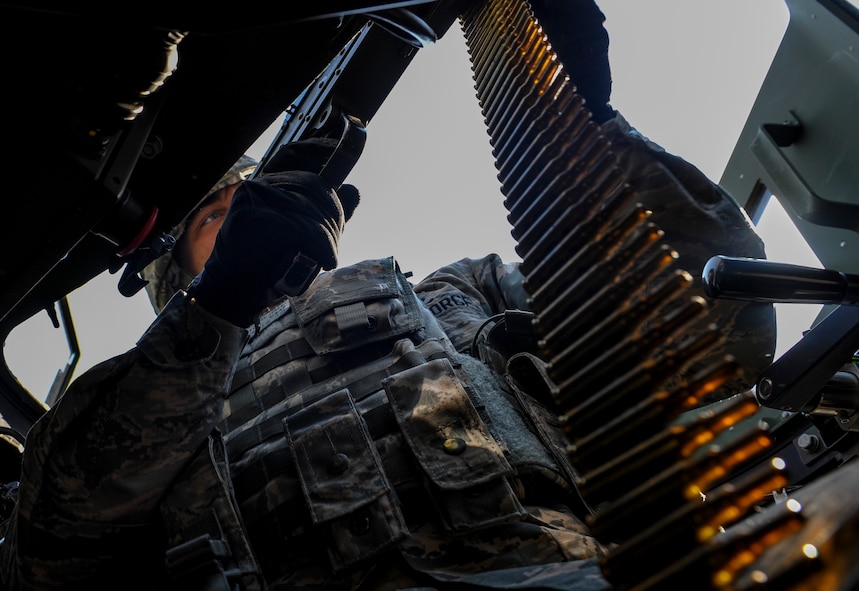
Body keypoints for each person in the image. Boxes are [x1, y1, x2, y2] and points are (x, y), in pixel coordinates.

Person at [0, 2, 776, 590]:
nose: (237, 208)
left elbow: (709, 326)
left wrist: (595, 128)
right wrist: (217, 310)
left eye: (249, 197)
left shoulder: (454, 295)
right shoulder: (140, 388)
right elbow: (52, 547)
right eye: (213, 211)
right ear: (174, 269)